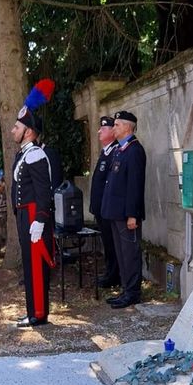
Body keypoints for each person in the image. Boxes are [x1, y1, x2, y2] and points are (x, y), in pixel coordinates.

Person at [11, 103, 54, 328]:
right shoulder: (25, 153)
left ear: (28, 131)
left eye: (16, 127)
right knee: (29, 265)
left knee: (36, 267)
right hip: (25, 217)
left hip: (33, 218)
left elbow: (43, 191)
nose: (13, 131)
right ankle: (32, 311)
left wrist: (40, 219)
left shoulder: (35, 154)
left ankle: (38, 314)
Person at [101, 110, 146, 308]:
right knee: (121, 254)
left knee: (130, 253)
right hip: (115, 213)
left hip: (127, 215)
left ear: (127, 127)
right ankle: (126, 289)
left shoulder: (135, 150)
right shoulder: (121, 150)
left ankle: (133, 292)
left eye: (117, 125)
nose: (114, 128)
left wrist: (132, 215)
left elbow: (134, 186)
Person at [89, 115, 120, 287]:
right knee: (107, 243)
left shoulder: (115, 152)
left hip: (108, 209)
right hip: (100, 209)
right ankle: (110, 272)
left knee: (112, 244)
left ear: (112, 132)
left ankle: (113, 275)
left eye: (103, 128)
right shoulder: (106, 152)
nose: (99, 131)